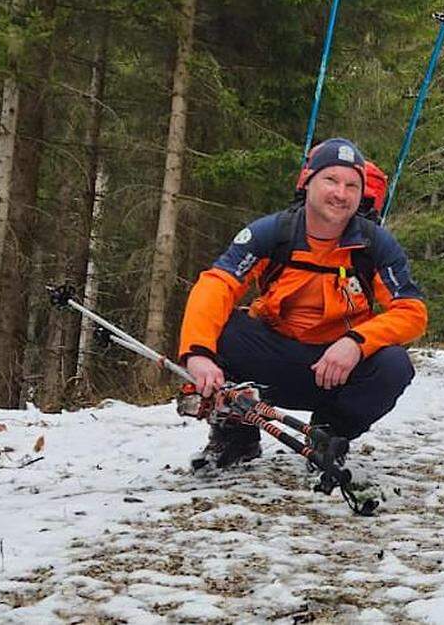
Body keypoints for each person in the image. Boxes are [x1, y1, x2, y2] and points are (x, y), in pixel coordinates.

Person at [178, 137, 428, 469]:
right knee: (222, 328)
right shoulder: (271, 234)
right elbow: (216, 285)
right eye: (331, 180)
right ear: (308, 182)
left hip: (338, 370)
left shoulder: (375, 245)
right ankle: (236, 437)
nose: (341, 193)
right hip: (273, 360)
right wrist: (197, 354)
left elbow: (412, 311)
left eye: (351, 185)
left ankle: (329, 434)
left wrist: (356, 343)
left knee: (394, 364)